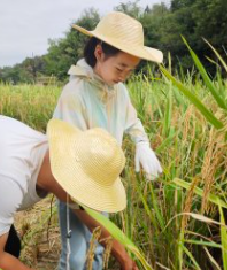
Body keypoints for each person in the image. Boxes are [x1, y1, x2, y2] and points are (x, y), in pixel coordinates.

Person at [0, 113, 138, 270]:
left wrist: (121, 254)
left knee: (8, 248)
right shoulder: (5, 178)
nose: (82, 198)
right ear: (65, 175)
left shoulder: (51, 159)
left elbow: (82, 209)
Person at [53, 11, 163, 270]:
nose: (124, 75)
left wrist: (142, 144)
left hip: (106, 184)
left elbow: (132, 122)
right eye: (120, 67)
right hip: (76, 188)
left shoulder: (119, 91)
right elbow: (68, 154)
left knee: (100, 250)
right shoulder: (74, 94)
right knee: (76, 258)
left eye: (130, 69)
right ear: (99, 53)